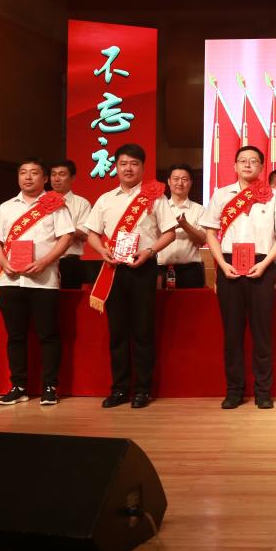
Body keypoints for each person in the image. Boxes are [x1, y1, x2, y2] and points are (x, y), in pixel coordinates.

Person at [201, 147, 276, 410]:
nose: (248, 165)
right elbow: (210, 233)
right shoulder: (221, 195)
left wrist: (265, 263)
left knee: (262, 333)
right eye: (242, 160)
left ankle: (263, 391)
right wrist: (222, 264)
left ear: (262, 167)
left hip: (262, 265)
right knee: (232, 333)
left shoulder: (274, 196)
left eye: (254, 161)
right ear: (234, 166)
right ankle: (234, 391)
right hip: (229, 265)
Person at [85, 144, 176, 409]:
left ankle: (142, 390)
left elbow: (170, 232)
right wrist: (102, 250)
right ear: (116, 166)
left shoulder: (155, 197)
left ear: (142, 168)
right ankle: (120, 389)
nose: (128, 168)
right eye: (123, 163)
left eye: (134, 163)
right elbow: (91, 233)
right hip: (113, 269)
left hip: (143, 267)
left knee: (143, 331)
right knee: (117, 332)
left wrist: (149, 251)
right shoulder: (105, 199)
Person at [0, 158, 74, 405]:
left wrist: (45, 261)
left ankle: (50, 387)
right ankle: (19, 386)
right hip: (10, 280)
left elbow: (66, 238)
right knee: (15, 336)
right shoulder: (6, 207)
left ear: (45, 179)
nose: (28, 177)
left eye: (34, 173)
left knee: (48, 335)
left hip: (44, 281)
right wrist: (3, 262)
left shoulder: (55, 205)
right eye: (23, 173)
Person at [157, 164, 207, 289]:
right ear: (169, 181)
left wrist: (185, 225)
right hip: (162, 269)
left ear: (190, 183)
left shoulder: (199, 210)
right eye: (176, 179)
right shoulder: (159, 207)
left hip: (191, 271)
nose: (180, 183)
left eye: (184, 179)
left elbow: (203, 240)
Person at [49, 159, 92, 289]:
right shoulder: (39, 202)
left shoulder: (82, 203)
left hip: (69, 262)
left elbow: (85, 234)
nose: (56, 179)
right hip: (42, 261)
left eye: (62, 174)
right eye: (53, 174)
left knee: (69, 299)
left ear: (72, 178)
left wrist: (62, 230)